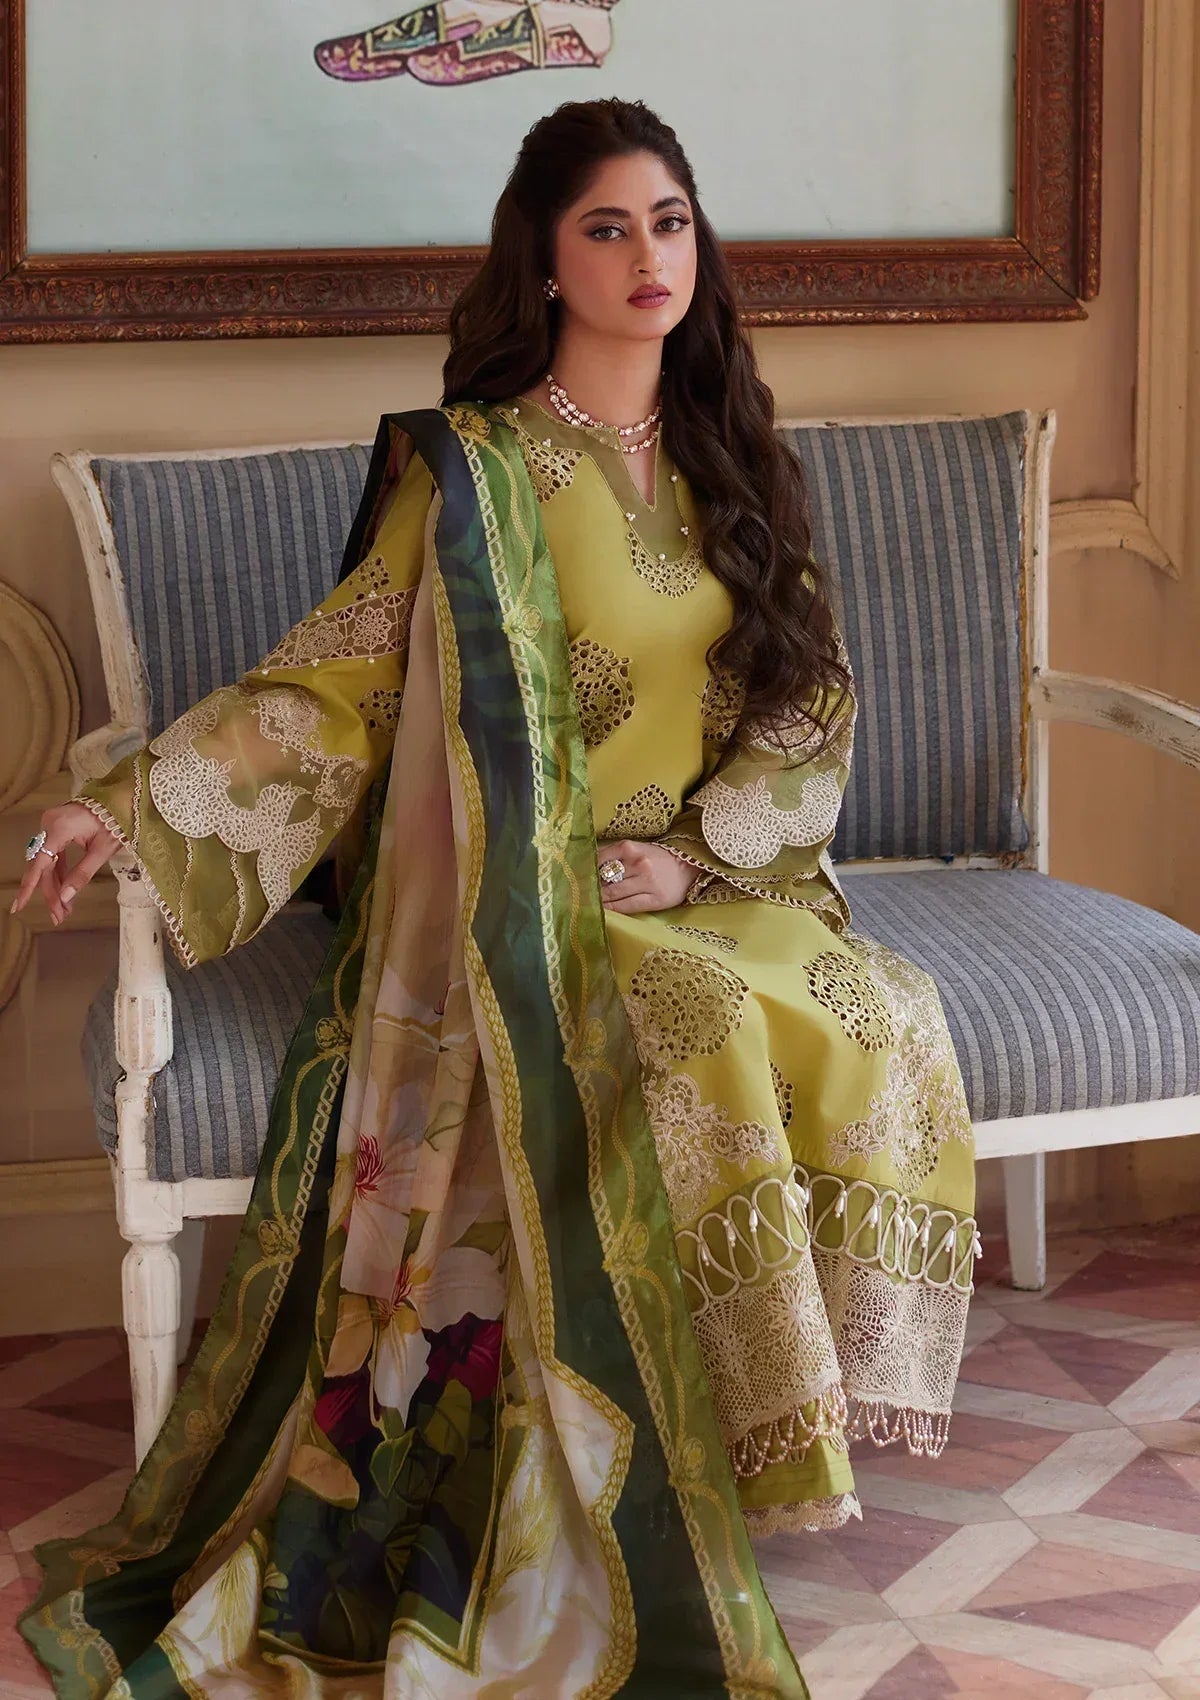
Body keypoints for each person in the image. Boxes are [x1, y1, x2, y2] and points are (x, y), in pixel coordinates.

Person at [14, 97, 978, 1699]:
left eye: (669, 222)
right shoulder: (477, 473)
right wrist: (126, 810)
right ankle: (667, 1450)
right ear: (545, 262)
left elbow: (810, 698)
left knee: (883, 1002)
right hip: (528, 911)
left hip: (709, 878)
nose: (648, 255)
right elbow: (335, 690)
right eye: (608, 228)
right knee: (703, 1025)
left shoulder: (735, 451)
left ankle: (757, 1435)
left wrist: (699, 857)